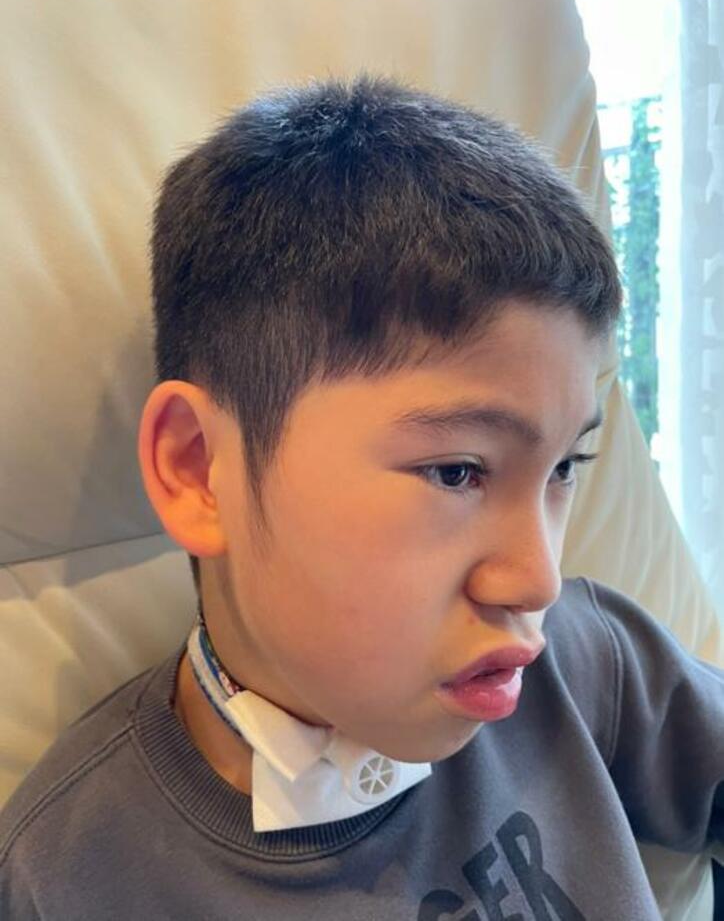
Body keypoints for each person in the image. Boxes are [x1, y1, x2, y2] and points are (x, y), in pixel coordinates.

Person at [1, 73, 722, 920]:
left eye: (566, 465)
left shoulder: (582, 660)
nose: (538, 580)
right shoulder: (70, 875)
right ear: (199, 470)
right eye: (457, 471)